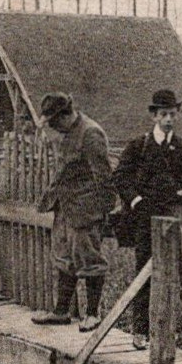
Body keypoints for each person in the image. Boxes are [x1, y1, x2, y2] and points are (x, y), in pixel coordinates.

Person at [114, 88, 182, 343]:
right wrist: (135, 199)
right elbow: (120, 177)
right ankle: (140, 329)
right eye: (164, 115)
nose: (168, 120)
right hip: (146, 214)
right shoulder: (139, 145)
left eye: (173, 115)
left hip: (173, 206)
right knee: (144, 268)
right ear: (154, 116)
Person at [31, 93, 116, 330]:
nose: (54, 128)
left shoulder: (91, 133)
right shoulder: (68, 134)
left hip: (85, 209)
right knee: (64, 258)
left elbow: (104, 176)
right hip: (66, 206)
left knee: (89, 259)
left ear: (65, 115)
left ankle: (92, 314)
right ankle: (61, 312)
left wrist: (101, 212)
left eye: (55, 122)